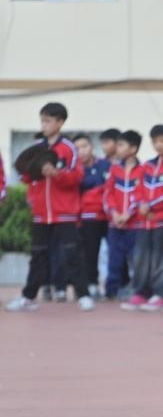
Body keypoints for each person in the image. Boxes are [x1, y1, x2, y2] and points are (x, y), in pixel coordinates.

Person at [7, 102, 93, 312]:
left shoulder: (69, 149)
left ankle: (83, 295)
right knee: (38, 255)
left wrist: (58, 174)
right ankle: (28, 298)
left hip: (64, 212)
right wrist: (30, 174)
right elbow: (26, 175)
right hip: (41, 213)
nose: (44, 125)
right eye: (42, 120)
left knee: (72, 254)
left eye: (48, 120)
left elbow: (77, 177)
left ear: (60, 122)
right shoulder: (36, 147)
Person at [125, 124, 163, 312]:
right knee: (142, 258)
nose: (159, 145)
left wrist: (152, 205)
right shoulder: (147, 166)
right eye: (155, 142)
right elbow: (137, 189)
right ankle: (140, 292)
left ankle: (161, 293)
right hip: (144, 221)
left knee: (161, 259)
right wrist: (141, 205)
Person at [104, 131, 144, 302]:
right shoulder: (114, 170)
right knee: (115, 259)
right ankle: (112, 290)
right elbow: (108, 194)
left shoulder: (143, 170)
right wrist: (115, 214)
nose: (117, 148)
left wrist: (129, 213)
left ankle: (137, 289)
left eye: (121, 145)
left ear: (133, 148)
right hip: (115, 225)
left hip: (134, 226)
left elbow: (142, 194)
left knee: (136, 260)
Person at [74, 133, 112, 299]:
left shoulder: (106, 165)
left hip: (111, 217)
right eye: (77, 148)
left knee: (116, 253)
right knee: (90, 253)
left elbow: (111, 188)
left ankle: (118, 285)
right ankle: (92, 284)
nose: (81, 151)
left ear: (92, 147)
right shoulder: (74, 170)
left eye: (84, 146)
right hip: (88, 218)